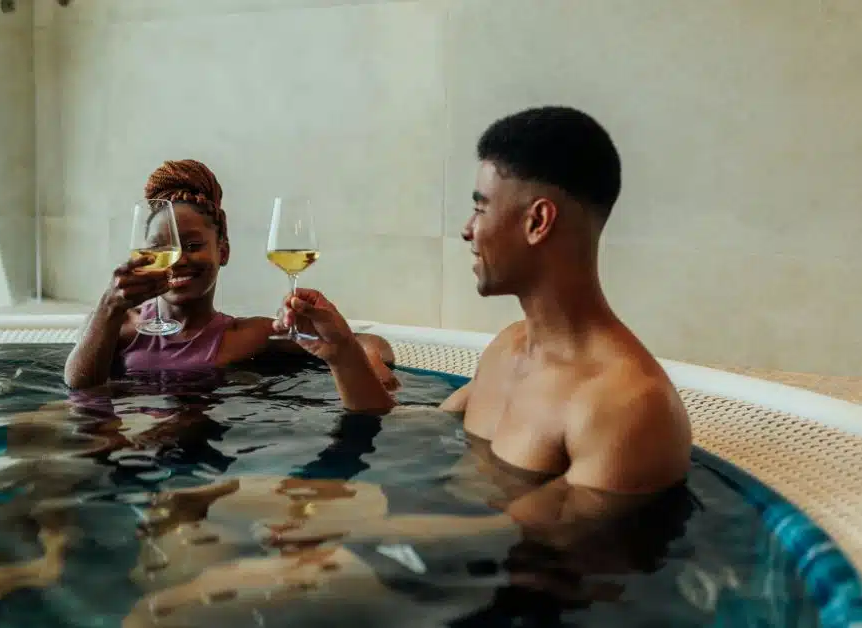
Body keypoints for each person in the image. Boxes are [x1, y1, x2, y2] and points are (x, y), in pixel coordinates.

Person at [268, 105, 694, 532]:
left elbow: (518, 539)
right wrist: (342, 352)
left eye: (481, 208)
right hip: (433, 542)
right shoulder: (509, 348)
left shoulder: (626, 404)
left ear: (537, 221)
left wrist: (348, 532)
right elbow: (402, 426)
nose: (467, 230)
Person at [63, 159, 397, 390]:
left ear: (223, 251)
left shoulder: (245, 336)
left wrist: (367, 363)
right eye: (162, 247)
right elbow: (77, 384)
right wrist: (109, 305)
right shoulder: (116, 324)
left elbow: (374, 345)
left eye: (192, 245)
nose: (177, 259)